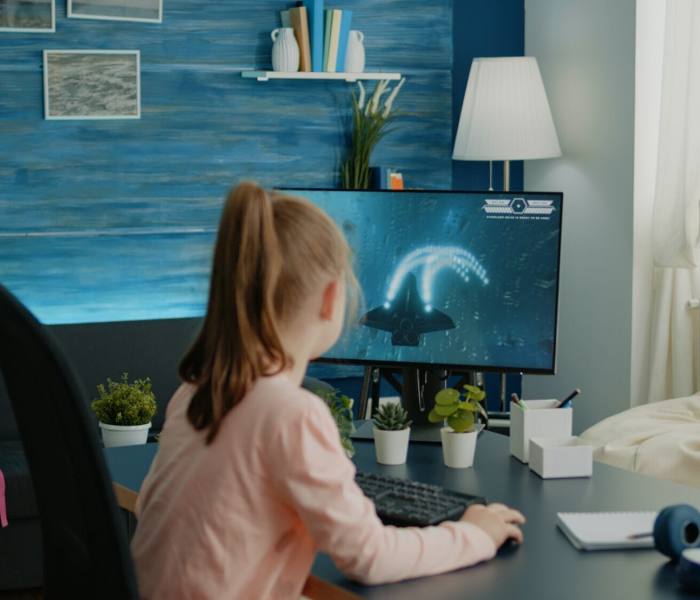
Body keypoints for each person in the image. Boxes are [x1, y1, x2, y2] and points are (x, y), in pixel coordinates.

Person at [131, 182, 525, 599]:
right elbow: (370, 557)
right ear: (330, 298)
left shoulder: (194, 393)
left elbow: (153, 512)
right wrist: (474, 534)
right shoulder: (292, 414)